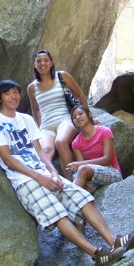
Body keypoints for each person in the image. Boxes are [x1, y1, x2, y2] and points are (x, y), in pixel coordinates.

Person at [0, 80, 134, 266]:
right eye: (7, 93)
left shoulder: (26, 120)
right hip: (25, 180)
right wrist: (40, 177)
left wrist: (53, 172)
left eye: (15, 92)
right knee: (57, 214)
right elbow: (8, 159)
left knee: (82, 197)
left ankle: (114, 241)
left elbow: (40, 151)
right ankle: (97, 254)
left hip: (44, 173)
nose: (13, 96)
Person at [27, 49, 88, 181]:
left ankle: (72, 182)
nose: (42, 63)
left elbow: (79, 95)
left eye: (46, 60)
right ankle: (49, 181)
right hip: (46, 125)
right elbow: (36, 110)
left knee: (61, 142)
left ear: (51, 62)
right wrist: (39, 128)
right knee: (45, 151)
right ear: (34, 65)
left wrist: (88, 115)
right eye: (39, 61)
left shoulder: (62, 76)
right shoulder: (31, 87)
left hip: (64, 118)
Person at [67, 105, 123, 193]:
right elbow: (81, 168)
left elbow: (107, 159)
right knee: (82, 193)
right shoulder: (76, 143)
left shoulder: (104, 131)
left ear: (89, 114)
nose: (77, 117)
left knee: (83, 169)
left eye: (80, 114)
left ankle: (71, 198)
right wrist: (75, 168)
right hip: (92, 176)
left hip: (112, 172)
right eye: (74, 117)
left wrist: (79, 164)